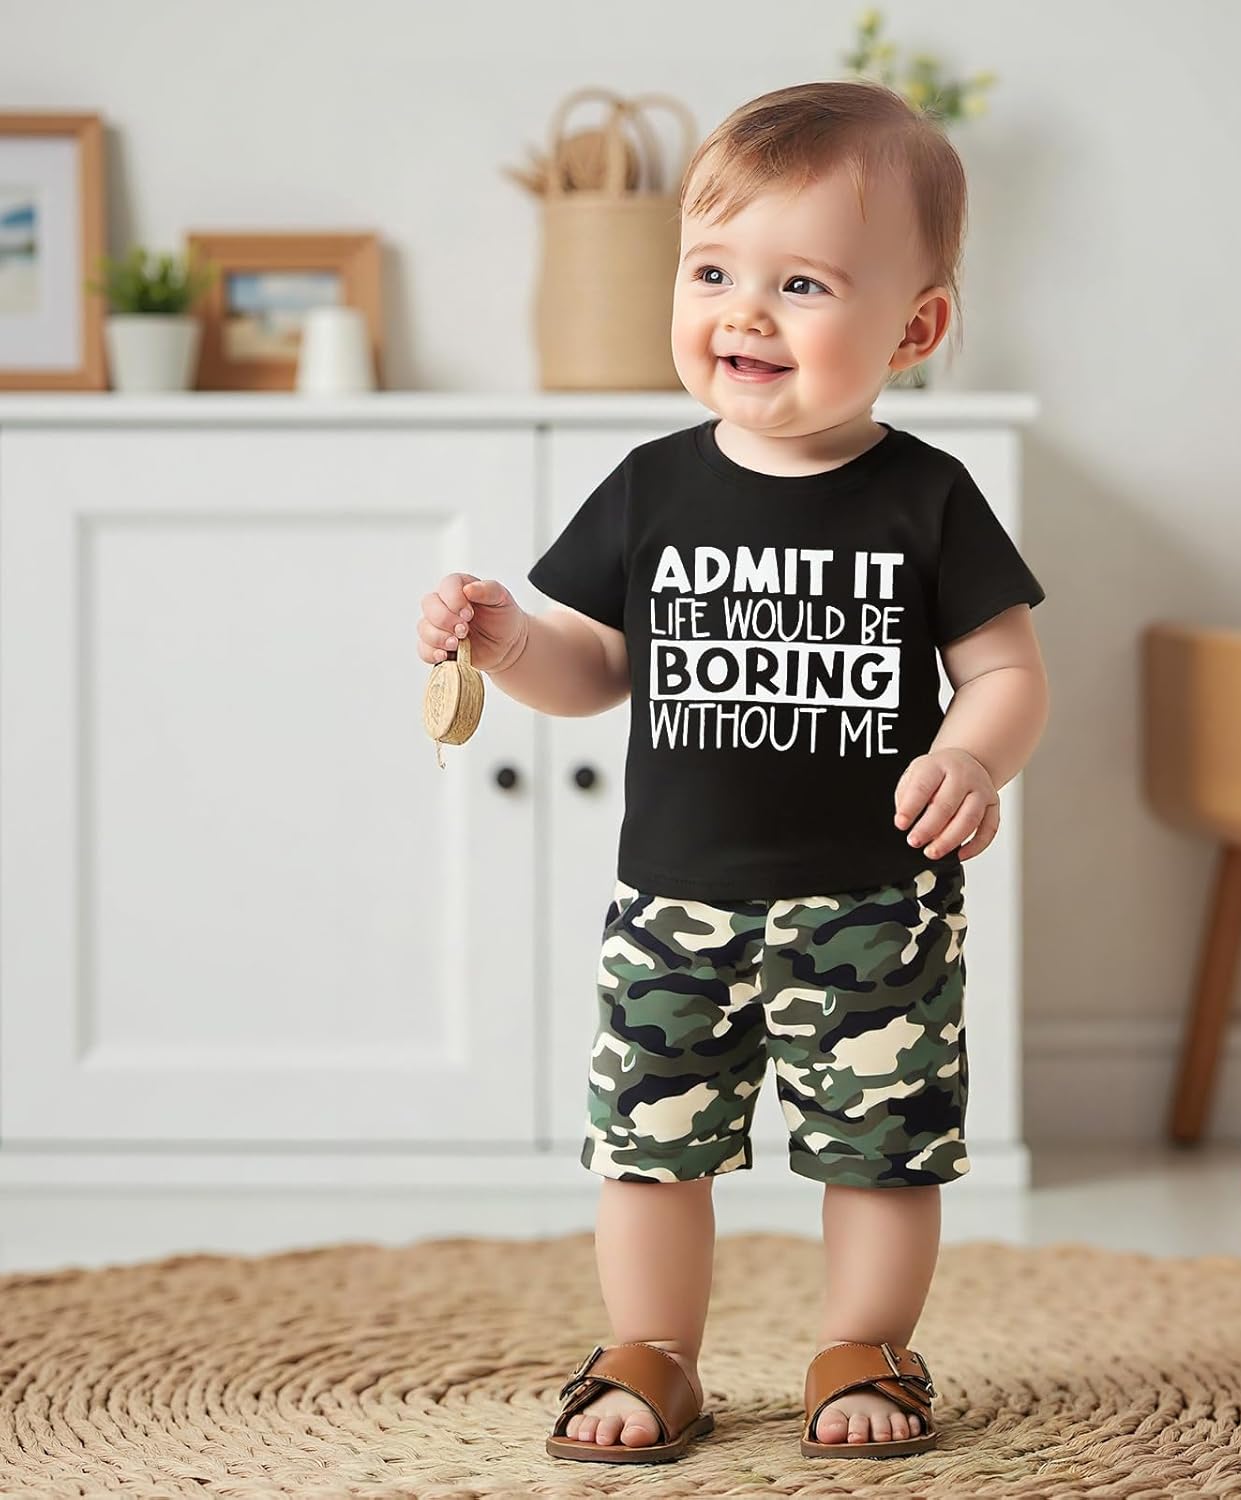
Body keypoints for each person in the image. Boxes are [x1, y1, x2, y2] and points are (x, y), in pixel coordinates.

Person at [415, 78, 1048, 1465]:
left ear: (916, 328)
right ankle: (653, 1348)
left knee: (880, 1151)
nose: (744, 314)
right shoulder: (653, 485)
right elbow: (595, 664)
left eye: (800, 284)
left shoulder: (928, 496)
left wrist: (969, 752)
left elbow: (1007, 673)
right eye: (712, 273)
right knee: (649, 1145)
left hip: (875, 902)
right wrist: (511, 644)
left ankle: (864, 1345)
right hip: (674, 905)